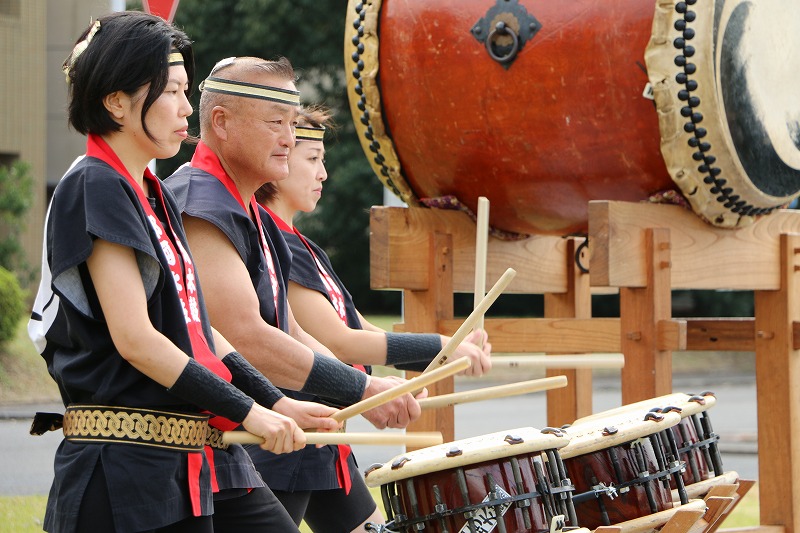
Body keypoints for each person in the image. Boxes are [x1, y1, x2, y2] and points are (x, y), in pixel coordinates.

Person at [26, 14, 337, 533]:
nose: (187, 108)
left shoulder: (151, 191)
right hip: (121, 475)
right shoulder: (95, 185)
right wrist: (251, 413)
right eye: (171, 91)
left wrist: (275, 401)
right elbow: (138, 341)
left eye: (185, 90)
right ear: (117, 102)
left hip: (178, 464)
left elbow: (195, 327)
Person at [164, 56, 430, 533]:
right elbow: (246, 336)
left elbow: (292, 330)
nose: (290, 137)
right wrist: (364, 388)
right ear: (220, 123)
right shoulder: (198, 203)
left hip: (263, 433)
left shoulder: (254, 214)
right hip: (211, 447)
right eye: (276, 123)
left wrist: (364, 390)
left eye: (292, 123)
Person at [257, 106, 492, 378]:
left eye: (322, 160)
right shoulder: (273, 242)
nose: (323, 173)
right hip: (294, 416)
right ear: (280, 158)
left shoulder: (302, 244)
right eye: (313, 159)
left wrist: (446, 352)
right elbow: (339, 342)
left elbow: (358, 326)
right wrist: (438, 347)